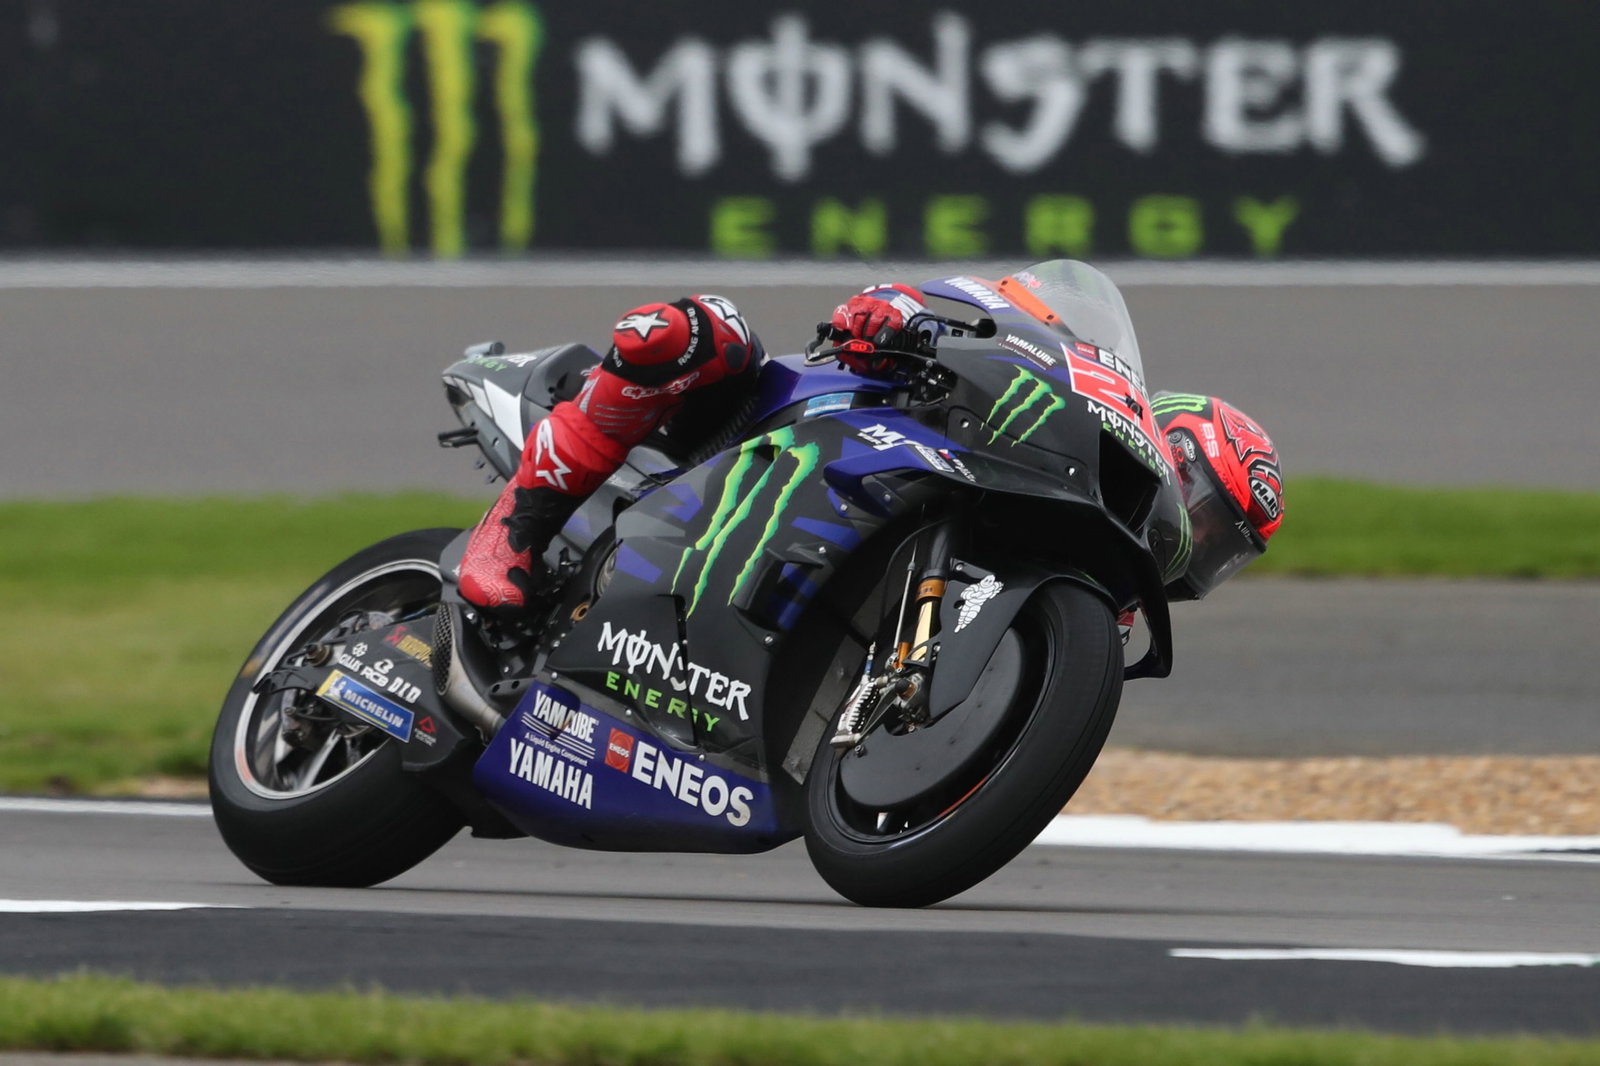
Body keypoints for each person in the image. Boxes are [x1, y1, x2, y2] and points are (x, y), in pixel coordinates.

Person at [457, 277, 1283, 612]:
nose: (1198, 544)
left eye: (1222, 550)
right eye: (1206, 513)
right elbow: (960, 306)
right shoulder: (1048, 410)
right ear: (1164, 441)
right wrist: (897, 315)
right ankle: (514, 530)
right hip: (755, 423)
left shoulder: (1081, 600)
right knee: (699, 330)